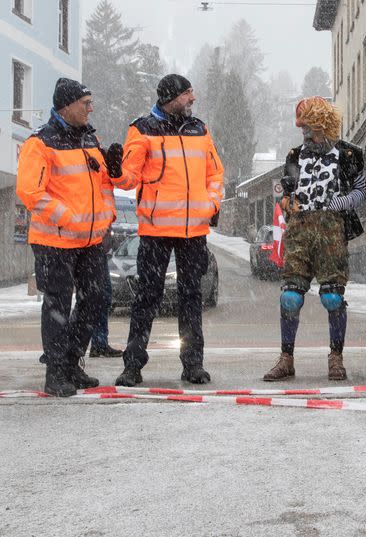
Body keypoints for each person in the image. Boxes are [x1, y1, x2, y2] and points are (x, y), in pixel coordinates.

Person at [108, 74, 224, 386]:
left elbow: (215, 174)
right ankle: (132, 367)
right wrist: (116, 171)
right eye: (188, 93)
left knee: (191, 299)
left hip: (194, 232)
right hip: (156, 230)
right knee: (147, 298)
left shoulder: (200, 129)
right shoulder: (142, 129)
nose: (193, 99)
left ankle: (193, 365)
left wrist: (211, 204)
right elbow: (129, 179)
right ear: (172, 97)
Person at [16, 78, 115, 396]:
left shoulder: (90, 139)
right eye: (85, 103)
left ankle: (72, 364)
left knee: (95, 299)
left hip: (90, 241)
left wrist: (108, 213)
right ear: (67, 106)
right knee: (58, 305)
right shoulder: (41, 143)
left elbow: (104, 184)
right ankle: (55, 374)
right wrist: (67, 218)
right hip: (54, 242)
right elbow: (30, 191)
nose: (90, 108)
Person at [262, 97, 366, 382]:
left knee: (333, 297)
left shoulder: (348, 154)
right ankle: (286, 358)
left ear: (325, 125)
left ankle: (336, 357)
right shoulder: (295, 155)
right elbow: (284, 188)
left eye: (311, 127)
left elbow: (361, 190)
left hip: (331, 231)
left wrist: (341, 203)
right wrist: (285, 201)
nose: (307, 134)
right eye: (304, 128)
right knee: (290, 297)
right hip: (300, 231)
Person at [87, 228, 125, 357]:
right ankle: (98, 343)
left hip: (98, 250)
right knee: (98, 299)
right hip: (93, 249)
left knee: (102, 298)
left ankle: (99, 343)